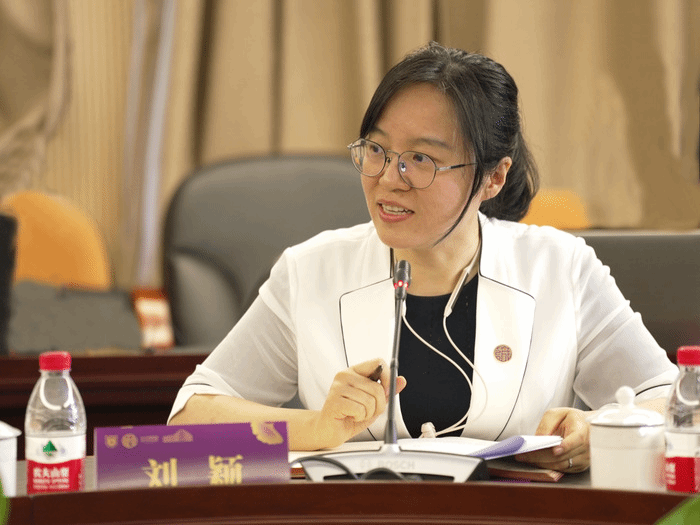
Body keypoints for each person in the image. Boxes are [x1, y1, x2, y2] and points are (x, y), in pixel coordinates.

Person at [169, 42, 678, 473]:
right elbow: (190, 419)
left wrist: (597, 430)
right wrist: (316, 427)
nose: (389, 178)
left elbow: (674, 401)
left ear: (493, 177)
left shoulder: (559, 268)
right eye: (377, 150)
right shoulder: (312, 271)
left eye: (421, 159)